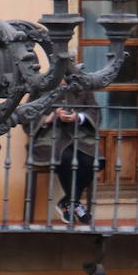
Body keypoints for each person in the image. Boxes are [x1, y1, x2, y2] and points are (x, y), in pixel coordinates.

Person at [28, 87, 100, 224]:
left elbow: (94, 111)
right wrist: (50, 117)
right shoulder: (41, 86)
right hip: (49, 139)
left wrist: (78, 117)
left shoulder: (83, 87)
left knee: (94, 160)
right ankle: (75, 204)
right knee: (65, 157)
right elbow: (27, 113)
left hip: (79, 139)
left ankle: (68, 202)